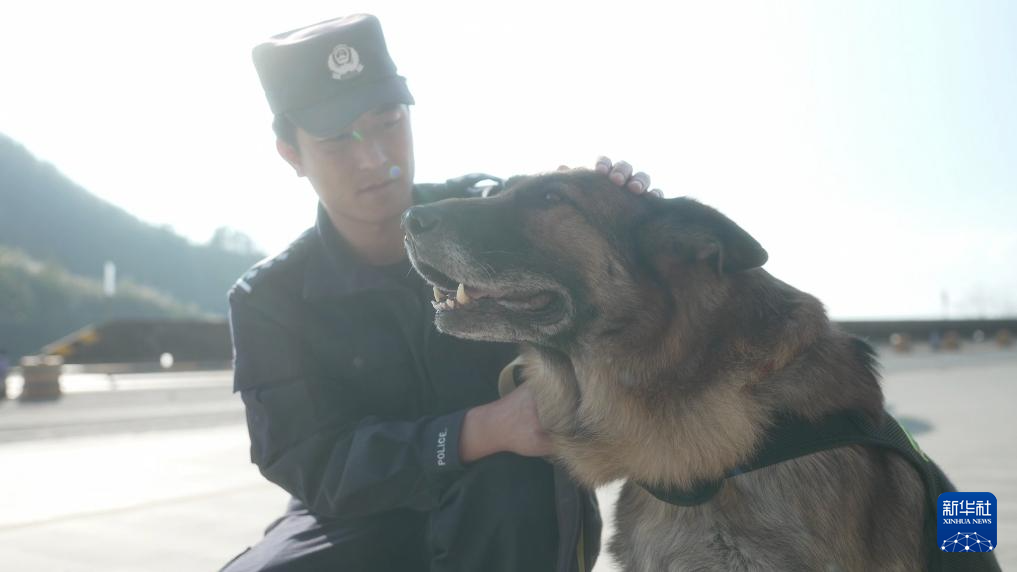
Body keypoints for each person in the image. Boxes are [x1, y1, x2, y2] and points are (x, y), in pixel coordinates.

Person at [222, 14, 652, 572]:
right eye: (337, 140)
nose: (374, 157)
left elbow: (605, 282)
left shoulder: (490, 218)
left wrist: (606, 206)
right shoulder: (268, 299)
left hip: (506, 495)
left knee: (516, 495)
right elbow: (311, 461)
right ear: (292, 154)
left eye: (388, 122)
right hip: (353, 516)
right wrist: (477, 429)